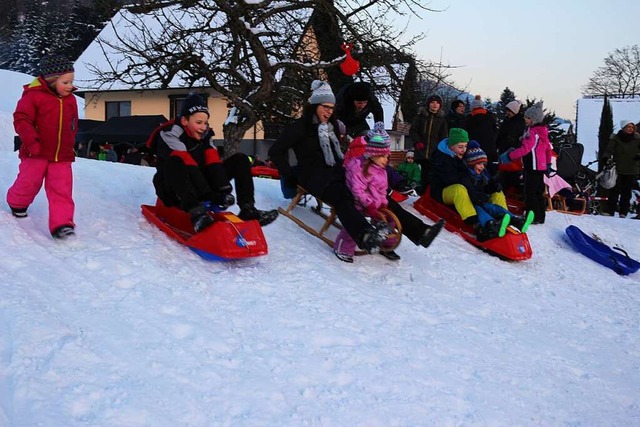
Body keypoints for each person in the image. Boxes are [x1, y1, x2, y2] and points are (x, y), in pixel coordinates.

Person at [269, 80, 392, 254]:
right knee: (341, 196)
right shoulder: (299, 127)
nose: (329, 111)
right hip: (312, 175)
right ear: (314, 106)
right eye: (325, 107)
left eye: (331, 108)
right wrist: (288, 174)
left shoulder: (332, 126)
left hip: (335, 171)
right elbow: (276, 152)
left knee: (365, 189)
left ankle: (384, 228)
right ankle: (364, 234)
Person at [149, 92, 278, 232]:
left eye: (205, 123)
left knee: (240, 159)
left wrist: (223, 190)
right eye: (198, 123)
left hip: (198, 184)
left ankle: (248, 209)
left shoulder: (205, 135)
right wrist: (211, 196)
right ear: (185, 121)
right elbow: (189, 166)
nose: (203, 127)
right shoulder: (170, 133)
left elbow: (213, 163)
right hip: (174, 189)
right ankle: (197, 214)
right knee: (176, 161)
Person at [7, 55, 79, 239]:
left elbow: (73, 123)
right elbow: (21, 119)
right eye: (66, 82)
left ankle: (62, 224)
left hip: (61, 155)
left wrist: (70, 143)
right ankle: (17, 203)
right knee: (29, 182)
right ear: (52, 80)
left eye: (71, 81)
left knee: (61, 189)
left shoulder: (70, 99)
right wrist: (31, 141)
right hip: (36, 152)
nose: (70, 85)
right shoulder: (34, 96)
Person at [334, 132, 401, 262]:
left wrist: (382, 204)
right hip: (359, 203)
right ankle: (342, 248)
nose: (386, 160)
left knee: (389, 219)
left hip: (374, 206)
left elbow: (382, 191)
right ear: (373, 155)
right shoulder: (359, 168)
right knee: (356, 221)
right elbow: (357, 190)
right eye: (382, 156)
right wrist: (369, 205)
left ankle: (384, 243)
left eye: (387, 156)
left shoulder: (382, 171)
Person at [430, 128, 502, 241]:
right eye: (460, 147)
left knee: (496, 192)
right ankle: (474, 221)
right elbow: (454, 180)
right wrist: (474, 194)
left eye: (465, 146)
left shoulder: (459, 157)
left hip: (461, 187)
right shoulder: (442, 159)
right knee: (459, 189)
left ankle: (502, 216)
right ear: (451, 146)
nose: (464, 150)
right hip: (442, 191)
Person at [499, 102, 553, 224]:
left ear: (534, 120)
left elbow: (525, 149)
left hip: (531, 166)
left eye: (528, 118)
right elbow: (548, 149)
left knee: (529, 192)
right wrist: (548, 164)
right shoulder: (542, 132)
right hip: (541, 167)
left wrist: (510, 156)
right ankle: (540, 216)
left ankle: (532, 216)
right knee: (539, 192)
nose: (525, 119)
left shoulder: (532, 133)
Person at [464, 143, 535, 237]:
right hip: (472, 203)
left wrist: (493, 187)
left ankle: (517, 221)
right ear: (472, 164)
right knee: (481, 212)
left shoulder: (481, 175)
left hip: (481, 201)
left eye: (483, 164)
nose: (482, 167)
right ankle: (491, 225)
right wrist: (481, 196)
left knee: (496, 208)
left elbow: (484, 189)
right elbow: (471, 191)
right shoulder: (467, 175)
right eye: (479, 164)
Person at [600, 119, 640, 217]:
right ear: (623, 128)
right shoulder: (616, 139)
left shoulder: (637, 139)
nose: (630, 129)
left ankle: (623, 212)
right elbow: (609, 150)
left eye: (632, 127)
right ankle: (610, 211)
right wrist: (606, 158)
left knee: (626, 193)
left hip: (632, 169)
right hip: (618, 169)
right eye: (628, 127)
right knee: (614, 191)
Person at [409, 94, 448, 192]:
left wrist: (441, 149)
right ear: (428, 104)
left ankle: (430, 194)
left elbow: (444, 136)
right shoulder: (420, 117)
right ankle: (422, 193)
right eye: (432, 102)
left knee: (432, 174)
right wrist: (417, 141)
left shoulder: (442, 120)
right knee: (423, 173)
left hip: (434, 152)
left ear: (440, 105)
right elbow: (413, 131)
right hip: (421, 151)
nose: (435, 105)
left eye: (437, 103)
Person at [495, 100, 526, 195]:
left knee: (512, 175)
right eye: (507, 110)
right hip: (504, 151)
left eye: (510, 111)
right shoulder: (507, 121)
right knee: (503, 174)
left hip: (514, 154)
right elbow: (501, 135)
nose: (507, 112)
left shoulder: (520, 122)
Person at [465, 95, 498, 165]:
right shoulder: (490, 117)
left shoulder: (468, 119)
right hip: (490, 150)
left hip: (474, 151)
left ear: (472, 108)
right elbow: (495, 132)